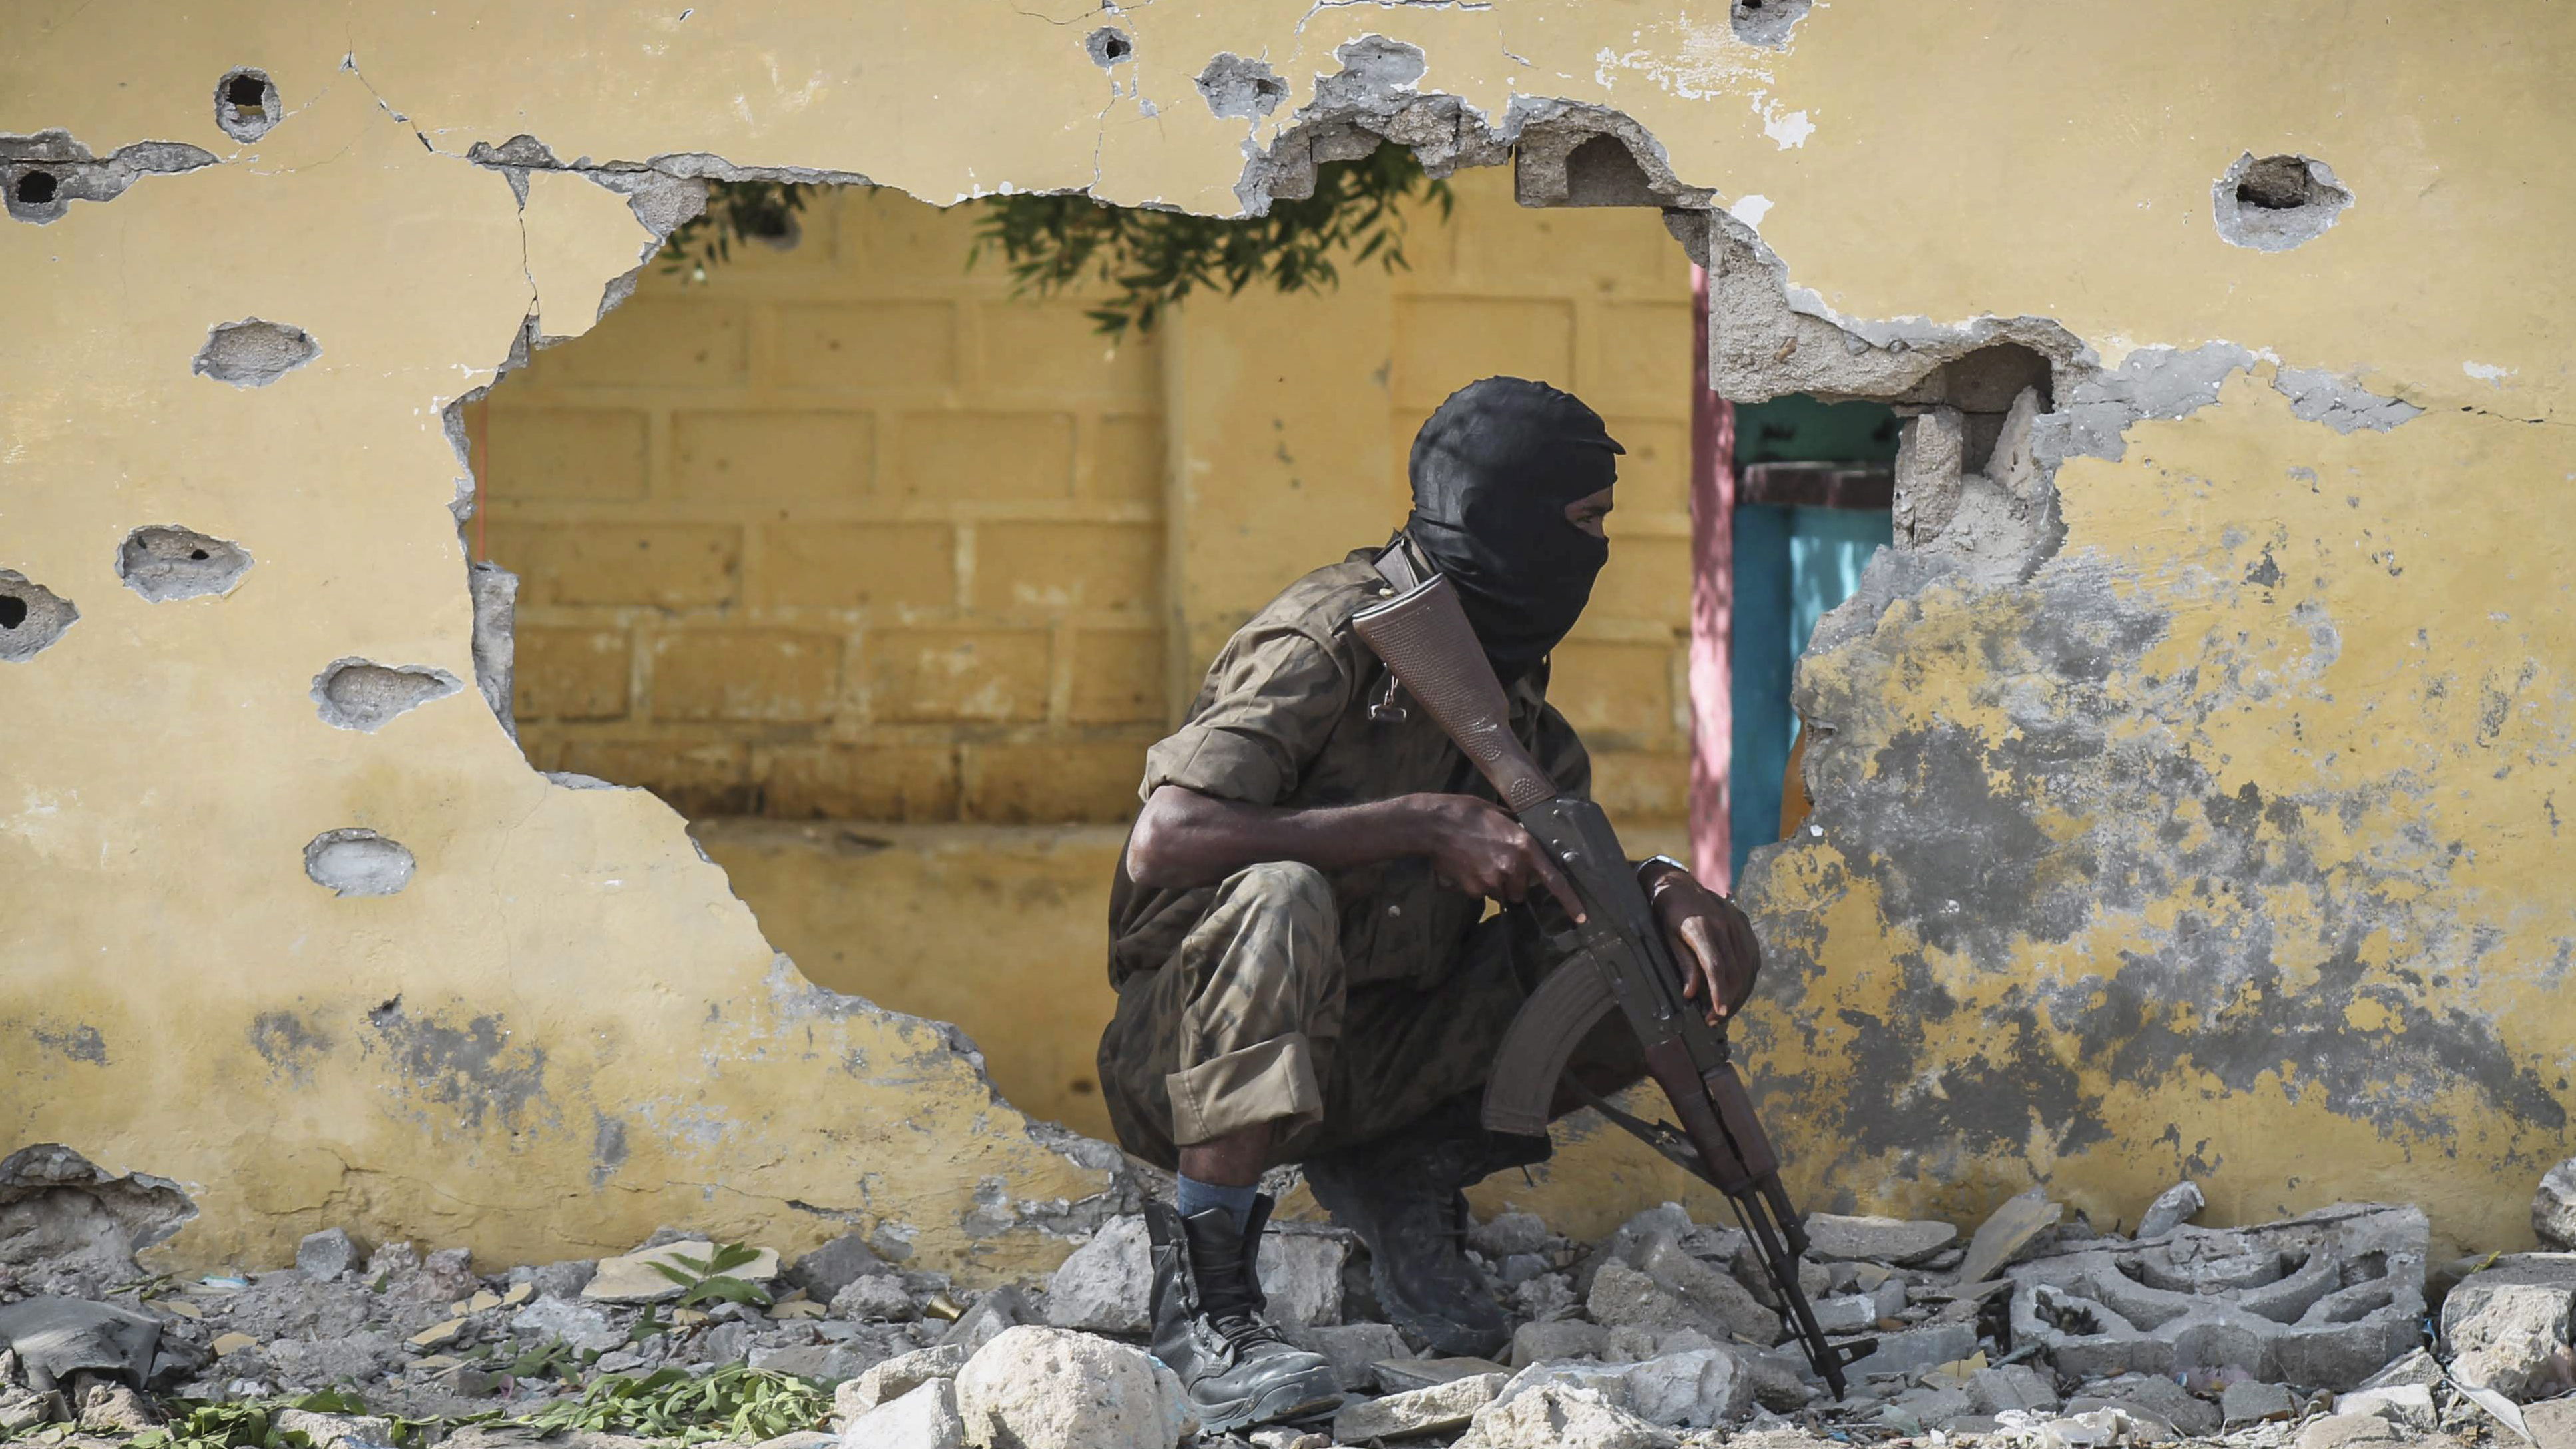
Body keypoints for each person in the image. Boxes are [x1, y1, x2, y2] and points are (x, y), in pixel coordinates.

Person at [1095, 376, 1763, 1434]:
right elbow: (1166, 837)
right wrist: (1418, 823)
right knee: (1279, 895)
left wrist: (1660, 888)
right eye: (1584, 519)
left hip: (1377, 1059)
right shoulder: (1325, 637)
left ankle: (1402, 1172)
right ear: (1503, 515)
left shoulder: (1507, 696)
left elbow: (1568, 901)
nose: (1597, 548)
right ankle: (1207, 1311)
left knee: (1652, 960)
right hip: (1183, 1057)